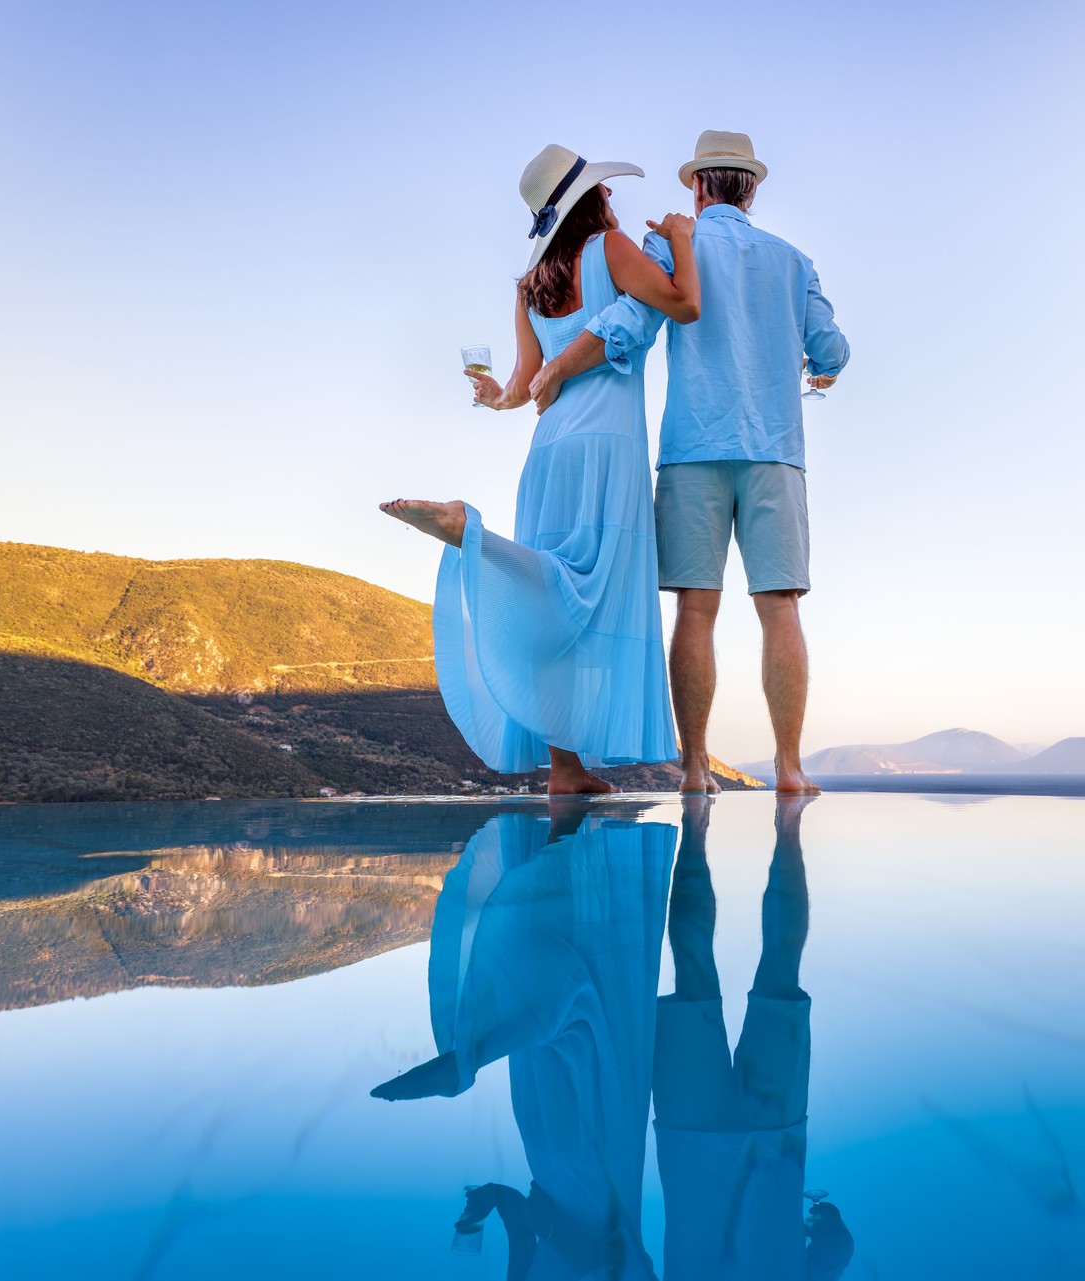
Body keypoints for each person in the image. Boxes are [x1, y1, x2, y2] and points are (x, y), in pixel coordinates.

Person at [530, 130, 850, 795]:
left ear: (698, 186)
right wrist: (814, 364)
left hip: (692, 452)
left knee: (695, 613)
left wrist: (559, 366)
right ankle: (790, 767)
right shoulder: (794, 261)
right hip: (774, 452)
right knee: (781, 608)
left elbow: (631, 324)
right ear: (752, 188)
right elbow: (833, 349)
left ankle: (696, 767)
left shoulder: (669, 247)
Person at [380, 144, 699, 794]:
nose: (611, 199)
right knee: (597, 594)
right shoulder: (610, 251)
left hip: (548, 452)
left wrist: (494, 393)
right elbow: (682, 301)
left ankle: (565, 768)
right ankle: (470, 529)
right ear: (592, 199)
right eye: (603, 192)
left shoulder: (530, 286)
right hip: (608, 449)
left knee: (553, 590)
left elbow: (522, 388)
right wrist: (684, 239)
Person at [369, 803, 677, 1279]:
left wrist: (483, 1206)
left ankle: (468, 1058)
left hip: (552, 1165)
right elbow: (612, 1256)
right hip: (595, 1174)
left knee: (573, 1025)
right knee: (586, 1021)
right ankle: (467, 1060)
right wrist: (544, 1224)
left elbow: (518, 1222)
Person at [651, 795, 853, 1280]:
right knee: (696, 969)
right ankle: (698, 824)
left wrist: (827, 1226)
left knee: (774, 967)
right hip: (694, 1145)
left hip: (767, 1144)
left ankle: (782, 825)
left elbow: (835, 1249)